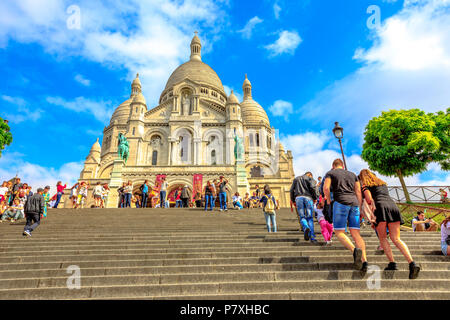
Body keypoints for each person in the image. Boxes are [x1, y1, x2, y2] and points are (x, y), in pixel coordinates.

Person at [359, 169, 420, 278]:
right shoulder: (382, 183)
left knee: (383, 238)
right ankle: (412, 263)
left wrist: (369, 214)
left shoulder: (365, 185)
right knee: (396, 238)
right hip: (392, 206)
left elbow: (369, 200)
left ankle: (392, 263)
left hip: (380, 208)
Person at [323, 159, 367, 272]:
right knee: (356, 233)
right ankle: (364, 261)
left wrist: (328, 201)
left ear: (333, 166)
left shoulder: (330, 173)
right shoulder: (352, 174)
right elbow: (358, 191)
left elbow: (326, 188)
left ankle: (354, 251)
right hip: (354, 204)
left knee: (339, 232)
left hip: (340, 203)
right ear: (342, 166)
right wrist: (359, 205)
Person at [290, 171, 319, 243]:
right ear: (310, 175)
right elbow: (313, 188)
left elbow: (291, 190)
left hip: (298, 198)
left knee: (302, 217)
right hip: (308, 198)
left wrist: (293, 200)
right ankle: (312, 237)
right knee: (310, 218)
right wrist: (315, 197)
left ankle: (306, 227)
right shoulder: (309, 179)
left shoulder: (296, 179)